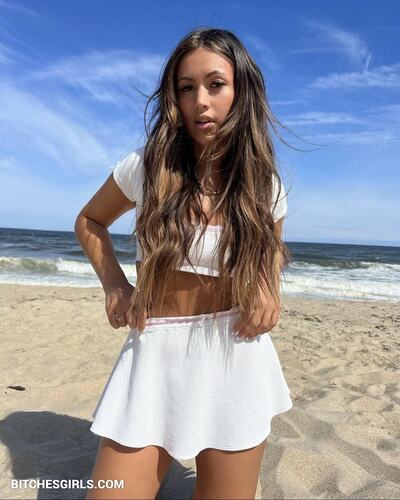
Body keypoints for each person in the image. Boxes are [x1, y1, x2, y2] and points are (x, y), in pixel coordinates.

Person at [75, 27, 293, 500]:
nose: (201, 102)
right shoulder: (147, 167)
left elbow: (272, 250)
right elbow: (89, 220)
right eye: (186, 87)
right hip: (155, 356)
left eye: (215, 85)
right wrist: (115, 285)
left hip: (236, 355)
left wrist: (267, 286)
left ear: (241, 91)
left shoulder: (264, 184)